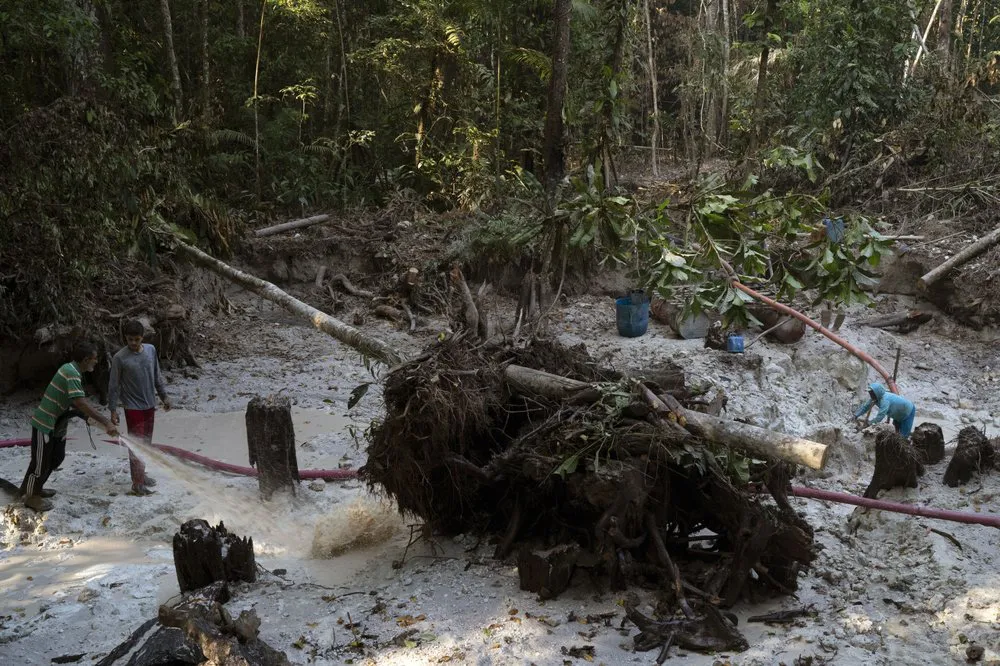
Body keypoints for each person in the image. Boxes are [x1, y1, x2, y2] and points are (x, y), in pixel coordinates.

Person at [21, 340, 119, 512]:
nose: (96, 362)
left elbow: (74, 403)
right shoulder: (71, 372)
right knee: (40, 463)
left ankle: (35, 488)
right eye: (94, 359)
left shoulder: (73, 371)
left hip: (57, 424)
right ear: (86, 359)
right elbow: (80, 403)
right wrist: (105, 421)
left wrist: (92, 420)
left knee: (57, 457)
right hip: (45, 423)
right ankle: (31, 497)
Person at [108, 320, 172, 496]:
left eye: (136, 339)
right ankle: (137, 484)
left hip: (149, 404)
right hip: (132, 407)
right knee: (137, 444)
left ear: (142, 338)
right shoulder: (119, 358)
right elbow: (114, 386)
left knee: (147, 443)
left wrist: (164, 396)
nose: (133, 343)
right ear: (125, 339)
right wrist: (113, 410)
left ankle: (141, 475)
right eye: (130, 340)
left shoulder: (151, 350)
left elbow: (156, 375)